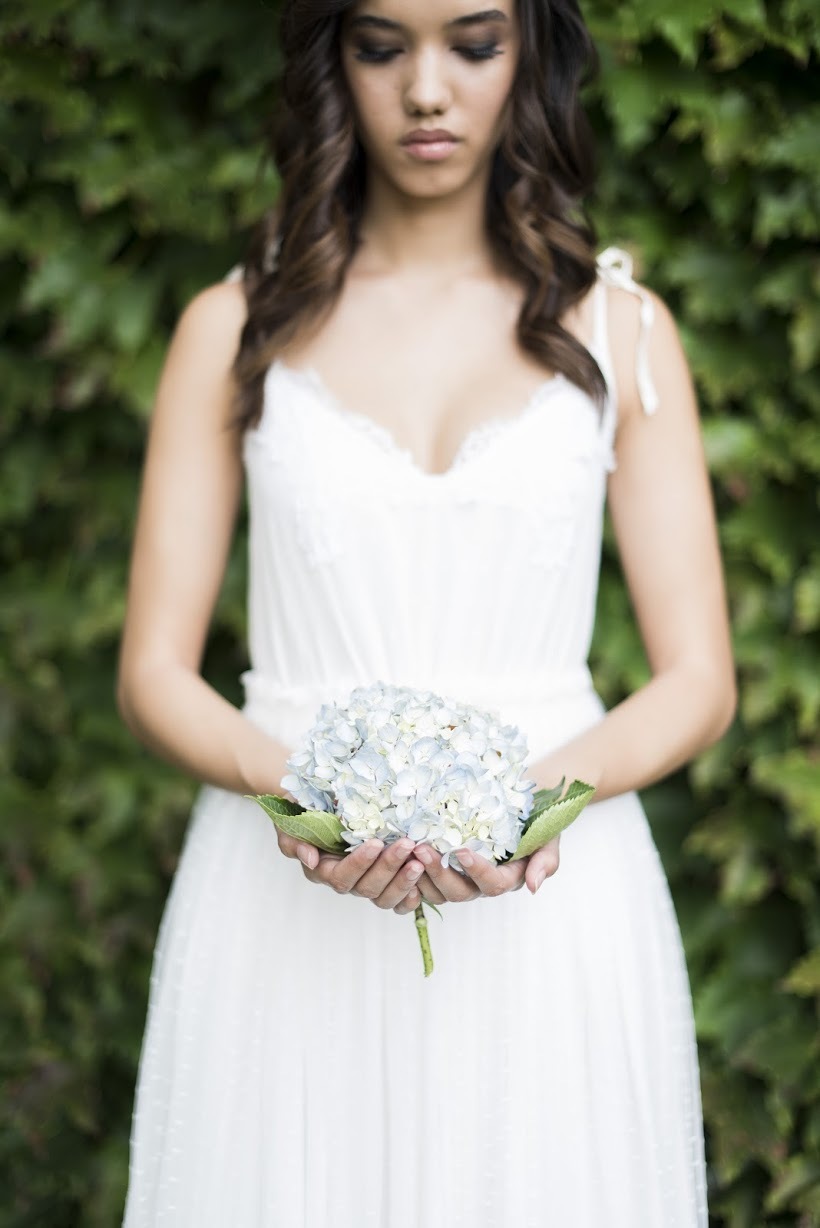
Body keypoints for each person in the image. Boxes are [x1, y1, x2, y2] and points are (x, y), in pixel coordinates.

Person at [117, 0, 736, 1224]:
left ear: (530, 57)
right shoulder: (230, 328)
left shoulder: (624, 332)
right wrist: (293, 787)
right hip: (275, 901)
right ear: (330, 60)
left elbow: (698, 678)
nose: (428, 91)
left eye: (473, 42)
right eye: (382, 47)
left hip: (554, 908)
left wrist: (534, 804)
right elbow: (152, 672)